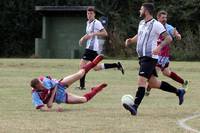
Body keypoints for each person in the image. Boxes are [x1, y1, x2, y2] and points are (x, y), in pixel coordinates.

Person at [124, 3, 186, 116]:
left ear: (146, 11)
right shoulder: (142, 23)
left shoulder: (156, 24)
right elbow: (139, 35)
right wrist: (131, 40)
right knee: (153, 83)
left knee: (141, 81)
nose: (139, 10)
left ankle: (135, 107)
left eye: (141, 9)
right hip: (142, 58)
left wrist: (159, 47)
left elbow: (168, 38)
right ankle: (179, 92)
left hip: (150, 58)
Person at [30, 55, 107, 112]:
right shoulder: (35, 95)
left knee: (80, 74)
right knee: (83, 100)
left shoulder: (44, 80)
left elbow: (55, 85)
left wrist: (50, 101)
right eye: (41, 86)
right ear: (36, 88)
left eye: (42, 83)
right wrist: (53, 110)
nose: (43, 85)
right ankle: (95, 90)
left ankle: (94, 62)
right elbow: (42, 108)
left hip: (60, 85)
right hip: (60, 97)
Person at [78, 7, 124, 90]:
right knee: (96, 68)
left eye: (91, 13)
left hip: (92, 48)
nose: (89, 15)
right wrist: (82, 38)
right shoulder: (88, 23)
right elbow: (88, 34)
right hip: (90, 48)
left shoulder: (97, 23)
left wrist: (94, 34)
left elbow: (105, 33)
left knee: (82, 65)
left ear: (94, 14)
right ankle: (116, 65)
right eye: (88, 13)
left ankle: (82, 86)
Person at [145, 10, 188, 96]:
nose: (165, 19)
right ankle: (183, 82)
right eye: (162, 17)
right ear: (158, 18)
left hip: (162, 55)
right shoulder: (153, 26)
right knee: (166, 72)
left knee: (154, 71)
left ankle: (146, 91)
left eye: (165, 17)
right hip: (154, 53)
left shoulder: (169, 28)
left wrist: (177, 35)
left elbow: (178, 36)